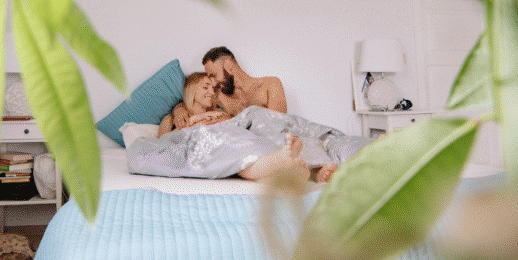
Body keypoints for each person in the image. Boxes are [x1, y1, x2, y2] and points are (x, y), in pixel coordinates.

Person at [129, 103, 362, 184]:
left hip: (246, 130)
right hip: (218, 138)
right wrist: (183, 118)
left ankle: (306, 164)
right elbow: (161, 141)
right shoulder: (182, 120)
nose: (211, 92)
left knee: (267, 126)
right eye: (205, 88)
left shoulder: (233, 115)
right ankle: (282, 164)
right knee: (227, 143)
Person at [202, 46, 287, 116]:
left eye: (214, 75)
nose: (213, 83)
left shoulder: (270, 85)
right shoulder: (220, 98)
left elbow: (278, 125)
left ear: (229, 65)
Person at [158, 72, 230, 137]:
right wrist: (195, 119)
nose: (212, 92)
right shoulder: (170, 120)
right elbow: (160, 148)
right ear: (191, 90)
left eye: (214, 89)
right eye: (205, 87)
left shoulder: (218, 116)